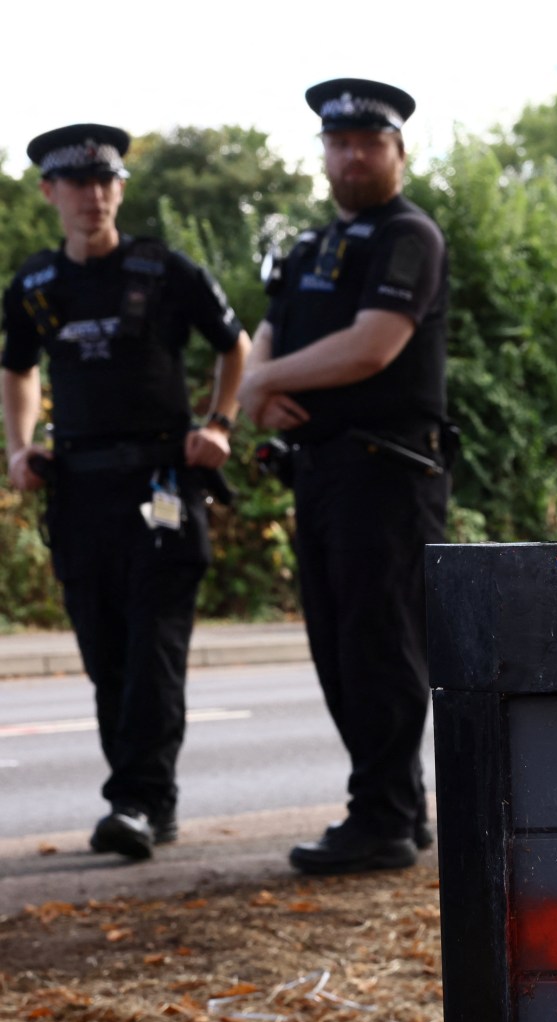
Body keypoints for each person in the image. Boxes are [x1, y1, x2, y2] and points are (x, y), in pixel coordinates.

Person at [2, 124, 250, 861]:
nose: (94, 196)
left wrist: (220, 425)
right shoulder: (35, 286)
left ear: (119, 188)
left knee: (152, 651)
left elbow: (234, 345)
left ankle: (139, 801)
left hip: (162, 489)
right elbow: (17, 368)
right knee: (105, 655)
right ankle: (142, 798)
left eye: (107, 181)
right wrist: (20, 447)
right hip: (78, 493)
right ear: (50, 192)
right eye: (78, 184)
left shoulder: (163, 269)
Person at [236, 80, 449, 874]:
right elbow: (266, 329)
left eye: (370, 142)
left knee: (380, 646)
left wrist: (262, 384)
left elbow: (373, 346)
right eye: (340, 142)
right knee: (339, 646)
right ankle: (398, 806)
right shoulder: (308, 247)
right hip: (323, 472)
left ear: (398, 151)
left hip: (385, 471)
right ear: (324, 152)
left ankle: (384, 821)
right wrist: (259, 386)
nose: (353, 155)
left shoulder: (407, 236)